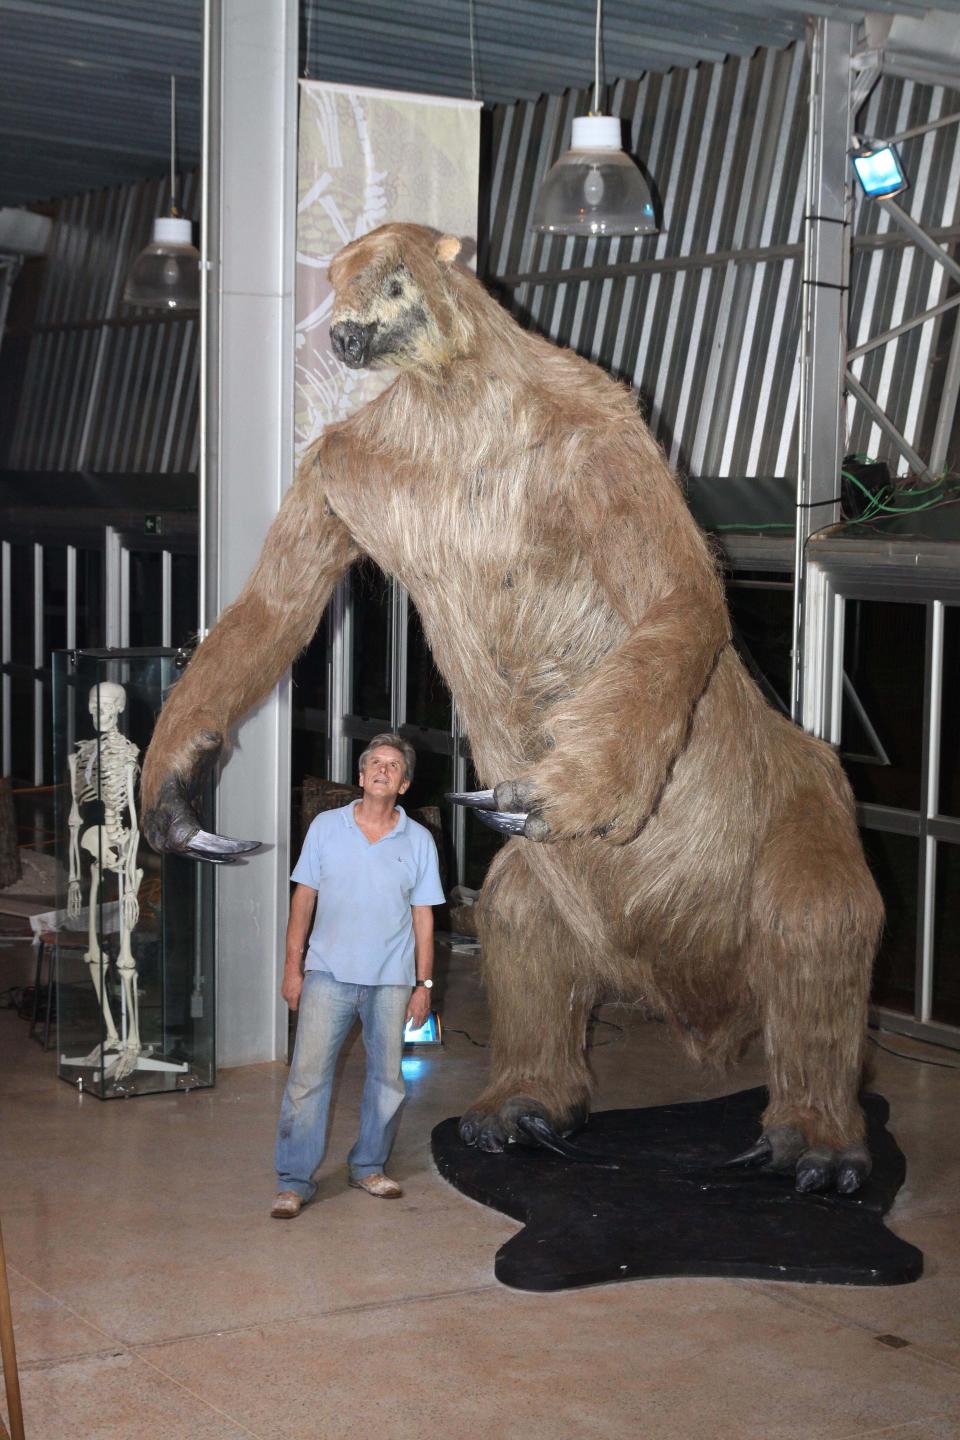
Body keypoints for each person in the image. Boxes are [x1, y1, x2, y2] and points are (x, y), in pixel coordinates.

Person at [271, 733, 445, 1218]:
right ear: (361, 775)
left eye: (393, 765)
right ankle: (294, 1180)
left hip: (392, 979)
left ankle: (368, 1165)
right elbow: (303, 898)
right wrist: (293, 968)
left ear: (404, 784)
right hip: (327, 973)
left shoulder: (419, 840)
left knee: (387, 1081)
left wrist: (423, 985)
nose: (382, 769)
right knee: (307, 1080)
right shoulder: (327, 827)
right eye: (375, 763)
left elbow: (424, 917)